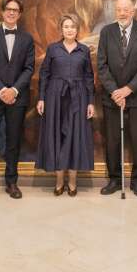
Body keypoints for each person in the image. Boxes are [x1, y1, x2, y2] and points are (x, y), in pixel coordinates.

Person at [97, 0, 137, 196]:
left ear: (133, 11)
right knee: (113, 141)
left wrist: (128, 89)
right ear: (116, 11)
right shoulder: (107, 32)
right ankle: (114, 180)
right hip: (112, 98)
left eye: (126, 9)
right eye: (119, 9)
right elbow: (102, 65)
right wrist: (115, 91)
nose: (122, 13)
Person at [0, 0, 35, 200]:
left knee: (14, 140)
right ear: (2, 12)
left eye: (15, 10)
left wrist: (14, 91)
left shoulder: (27, 38)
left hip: (17, 98)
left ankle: (12, 182)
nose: (11, 13)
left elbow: (29, 68)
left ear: (19, 14)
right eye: (8, 9)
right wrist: (2, 89)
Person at [36, 14, 95, 194]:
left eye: (73, 27)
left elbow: (89, 77)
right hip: (55, 97)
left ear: (77, 30)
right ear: (61, 29)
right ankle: (59, 180)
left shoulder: (84, 50)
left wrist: (91, 102)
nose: (69, 29)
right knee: (57, 136)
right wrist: (41, 98)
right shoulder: (53, 49)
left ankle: (73, 181)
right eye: (66, 26)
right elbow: (44, 74)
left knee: (75, 136)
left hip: (78, 97)